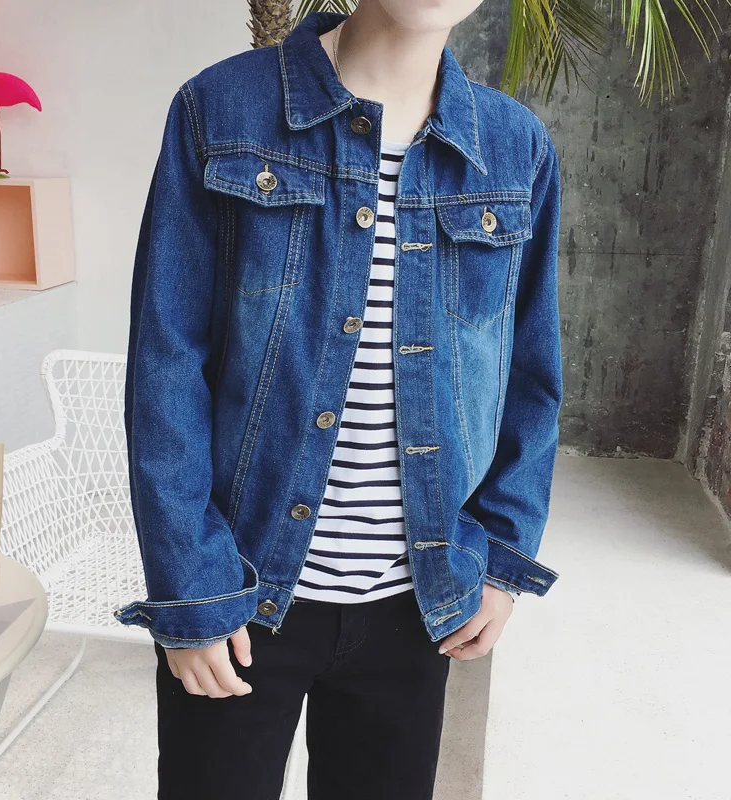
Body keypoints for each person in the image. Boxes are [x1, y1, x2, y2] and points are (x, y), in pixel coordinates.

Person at [114, 3, 563, 798]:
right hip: (241, 594)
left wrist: (499, 559)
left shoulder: (514, 147)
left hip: (417, 606)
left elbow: (530, 372)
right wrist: (193, 589)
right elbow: (167, 365)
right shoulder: (221, 109)